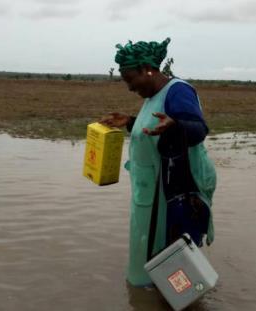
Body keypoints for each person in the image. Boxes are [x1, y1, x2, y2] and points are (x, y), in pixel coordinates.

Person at [100, 38, 217, 287]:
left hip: (174, 190)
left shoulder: (179, 91)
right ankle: (154, 293)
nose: (130, 87)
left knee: (173, 253)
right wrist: (131, 122)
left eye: (131, 79)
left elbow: (198, 130)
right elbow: (155, 130)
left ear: (147, 69)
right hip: (150, 192)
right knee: (150, 247)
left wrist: (176, 126)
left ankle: (182, 297)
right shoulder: (152, 96)